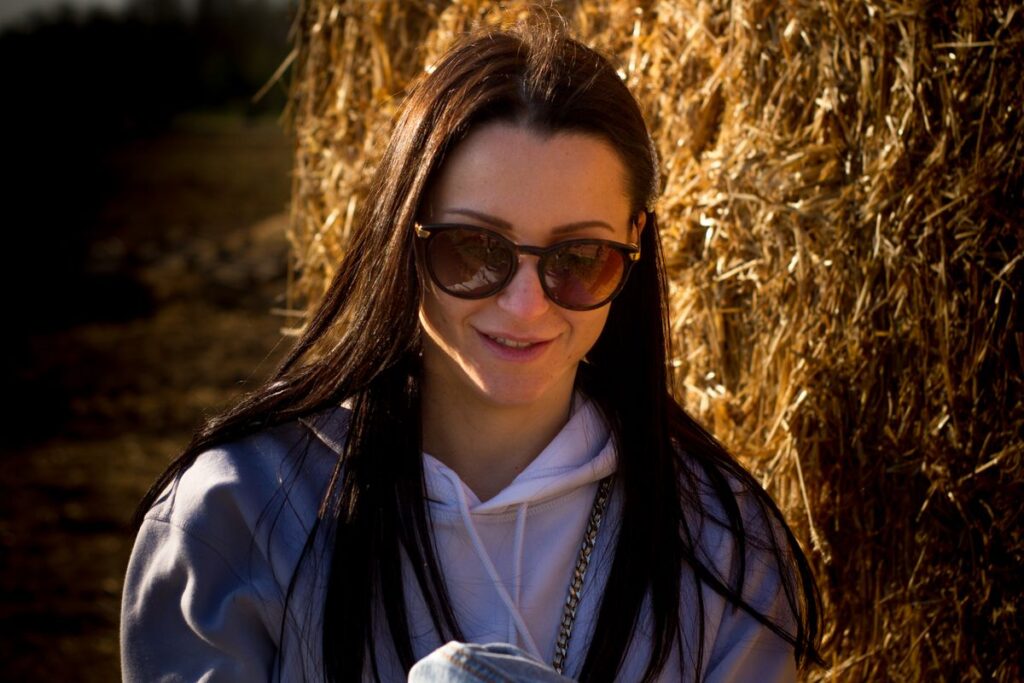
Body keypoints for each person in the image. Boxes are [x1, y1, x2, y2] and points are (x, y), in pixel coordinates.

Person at [121, 17, 822, 683]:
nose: (525, 304)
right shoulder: (235, 514)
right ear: (406, 231)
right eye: (475, 249)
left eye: (580, 256)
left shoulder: (721, 546)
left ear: (634, 242)